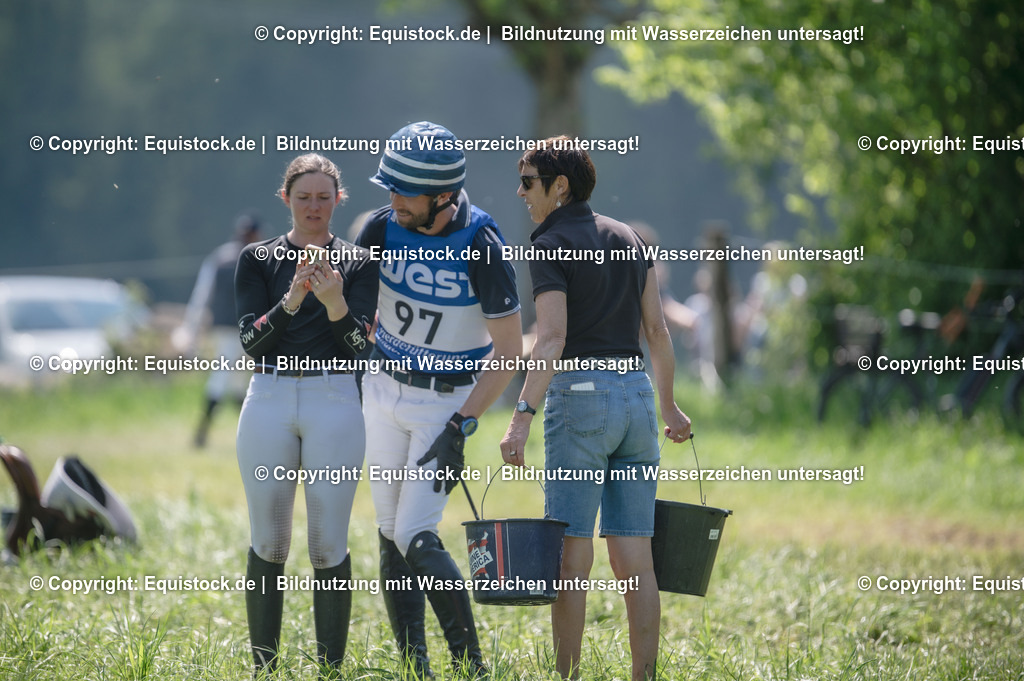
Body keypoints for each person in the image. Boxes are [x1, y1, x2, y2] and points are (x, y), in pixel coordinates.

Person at [498, 137, 692, 681]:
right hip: (635, 396)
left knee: (570, 554)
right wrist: (670, 406)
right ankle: (644, 676)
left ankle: (567, 676)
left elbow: (553, 338)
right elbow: (656, 330)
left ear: (560, 186)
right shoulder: (630, 237)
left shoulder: (549, 244)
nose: (521, 192)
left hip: (580, 400)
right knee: (636, 556)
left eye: (529, 182)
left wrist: (521, 415)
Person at [356, 121, 522, 679]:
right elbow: (353, 316)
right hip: (381, 392)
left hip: (442, 407)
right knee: (387, 531)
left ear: (444, 197)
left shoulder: (482, 245)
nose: (392, 200)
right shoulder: (380, 228)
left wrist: (461, 426)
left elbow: (508, 353)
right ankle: (414, 667)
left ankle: (471, 667)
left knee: (413, 533)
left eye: (404, 192)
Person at [234, 154, 377, 678]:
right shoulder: (258, 259)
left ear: (338, 201)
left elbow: (360, 345)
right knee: (269, 539)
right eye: (303, 197)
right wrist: (293, 298)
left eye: (323, 197)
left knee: (326, 542)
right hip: (269, 396)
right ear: (286, 200)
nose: (313, 207)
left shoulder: (359, 262)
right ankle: (264, 667)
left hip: (333, 398)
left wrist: (336, 302)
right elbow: (251, 342)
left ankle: (331, 668)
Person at [174, 213, 263, 447]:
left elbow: (201, 297)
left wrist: (191, 331)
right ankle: (203, 434)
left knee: (235, 383)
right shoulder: (257, 257)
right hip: (240, 331)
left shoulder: (221, 257)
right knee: (225, 380)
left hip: (227, 329)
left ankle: (246, 434)